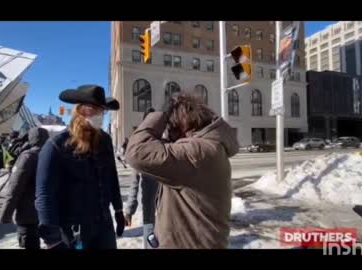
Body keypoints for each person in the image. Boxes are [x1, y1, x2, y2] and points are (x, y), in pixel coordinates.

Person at [125, 94, 240, 249]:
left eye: (170, 129)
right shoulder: (209, 146)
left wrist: (161, 114)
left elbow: (136, 152)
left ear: (182, 126)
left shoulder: (197, 152)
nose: (168, 134)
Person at [35, 85, 125, 250]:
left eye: (102, 110)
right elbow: (44, 195)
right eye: (94, 109)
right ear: (80, 111)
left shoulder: (105, 140)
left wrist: (118, 210)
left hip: (103, 224)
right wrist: (52, 240)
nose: (99, 114)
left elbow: (111, 177)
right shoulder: (56, 145)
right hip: (73, 230)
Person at [0, 127, 50, 249]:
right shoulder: (54, 154)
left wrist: (6, 214)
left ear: (31, 139)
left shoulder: (28, 156)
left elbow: (15, 186)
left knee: (29, 242)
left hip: (28, 212)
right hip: (50, 211)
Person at [124, 107, 159, 249]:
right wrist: (129, 210)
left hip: (167, 206)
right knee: (150, 239)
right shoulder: (139, 145)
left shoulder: (166, 141)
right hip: (149, 210)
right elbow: (135, 181)